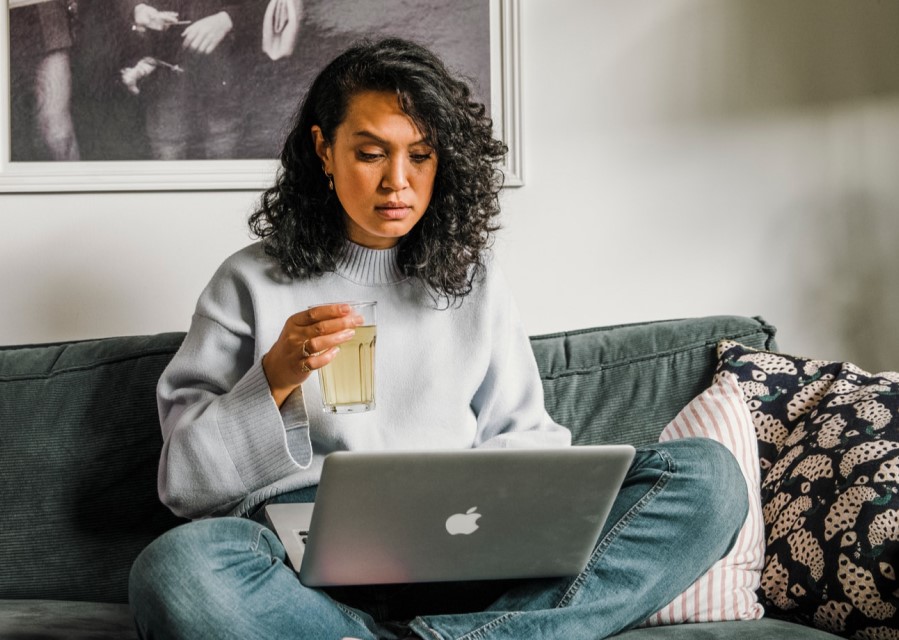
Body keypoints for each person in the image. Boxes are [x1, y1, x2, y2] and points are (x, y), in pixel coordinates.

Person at [128, 38, 748, 640]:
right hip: (301, 561)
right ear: (323, 149)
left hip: (463, 543)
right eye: (371, 154)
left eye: (420, 156)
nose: (397, 183)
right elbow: (183, 484)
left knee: (710, 479)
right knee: (177, 570)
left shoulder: (472, 281)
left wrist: (504, 512)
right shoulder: (248, 281)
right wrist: (276, 378)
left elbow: (526, 440)